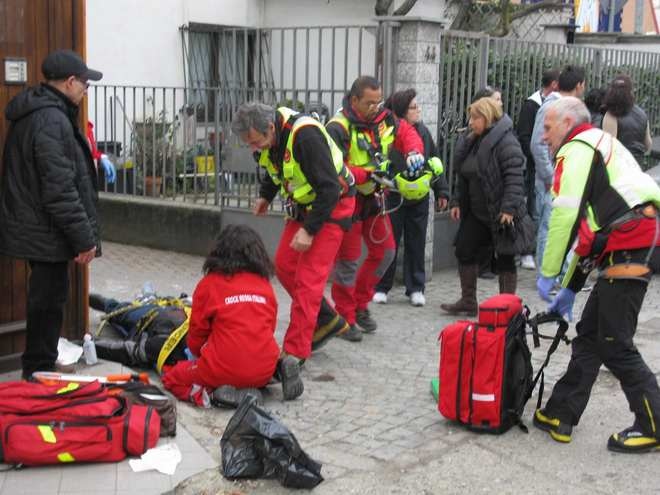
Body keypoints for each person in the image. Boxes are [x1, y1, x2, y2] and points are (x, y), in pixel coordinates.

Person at [535, 97, 660, 453]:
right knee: (590, 335)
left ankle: (654, 424)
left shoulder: (576, 148)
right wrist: (571, 288)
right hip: (632, 238)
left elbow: (566, 215)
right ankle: (561, 412)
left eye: (548, 128)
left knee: (615, 344)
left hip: (631, 242)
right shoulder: (603, 145)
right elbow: (591, 233)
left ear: (568, 123)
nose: (544, 137)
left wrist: (548, 272)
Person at [0, 50, 103, 380]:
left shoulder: (42, 112)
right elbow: (59, 189)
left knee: (46, 300)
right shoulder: (51, 119)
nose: (86, 89)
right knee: (47, 303)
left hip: (38, 226)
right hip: (45, 229)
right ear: (70, 82)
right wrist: (84, 239)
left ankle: (39, 366)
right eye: (85, 83)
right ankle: (38, 372)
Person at [231, 102, 356, 368]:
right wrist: (266, 196)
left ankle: (295, 352)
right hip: (305, 206)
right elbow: (276, 169)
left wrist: (310, 230)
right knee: (286, 266)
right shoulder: (272, 138)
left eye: (256, 141)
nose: (255, 148)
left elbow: (330, 189)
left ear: (271, 127)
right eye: (249, 144)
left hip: (333, 204)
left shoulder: (305, 136)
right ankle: (326, 319)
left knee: (309, 280)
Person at [327, 76, 424, 340]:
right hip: (347, 201)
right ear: (354, 100)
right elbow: (336, 169)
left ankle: (360, 305)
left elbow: (407, 133)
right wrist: (368, 175)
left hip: (373, 199)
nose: (376, 107)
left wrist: (414, 152)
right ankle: (345, 318)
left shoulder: (385, 119)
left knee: (386, 253)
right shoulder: (338, 127)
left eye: (378, 101)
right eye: (369, 102)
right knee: (347, 263)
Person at [161, 225, 299, 408]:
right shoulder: (265, 285)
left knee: (172, 376)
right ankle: (277, 370)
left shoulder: (209, 284)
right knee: (254, 362)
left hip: (222, 368)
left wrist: (199, 357)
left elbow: (196, 333)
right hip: (263, 368)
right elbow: (269, 327)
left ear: (219, 252)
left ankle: (212, 394)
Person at [440, 97, 533, 316]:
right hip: (477, 210)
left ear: (488, 117)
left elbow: (514, 178)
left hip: (501, 211)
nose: (471, 122)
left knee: (506, 257)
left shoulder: (506, 142)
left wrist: (509, 209)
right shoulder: (472, 140)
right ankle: (468, 300)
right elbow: (462, 175)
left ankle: (506, 307)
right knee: (464, 248)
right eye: (471, 117)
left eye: (475, 118)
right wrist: (456, 201)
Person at [372, 88, 449, 307]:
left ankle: (415, 287)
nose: (418, 110)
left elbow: (433, 161)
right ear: (402, 112)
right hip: (394, 195)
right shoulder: (388, 132)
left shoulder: (423, 132)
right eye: (413, 107)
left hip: (419, 197)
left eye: (417, 106)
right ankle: (381, 287)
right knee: (390, 244)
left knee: (416, 242)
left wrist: (441, 190)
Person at [530, 65, 586, 271]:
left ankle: (560, 272)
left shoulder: (567, 108)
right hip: (551, 180)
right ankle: (547, 273)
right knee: (548, 227)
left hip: (563, 179)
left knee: (560, 227)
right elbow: (537, 144)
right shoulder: (551, 108)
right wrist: (550, 176)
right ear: (579, 85)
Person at [516, 68, 560, 270]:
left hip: (542, 165)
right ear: (554, 85)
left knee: (541, 213)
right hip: (533, 166)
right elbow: (525, 136)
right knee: (533, 211)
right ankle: (527, 251)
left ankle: (533, 251)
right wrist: (535, 158)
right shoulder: (532, 105)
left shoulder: (549, 104)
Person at [88, 290, 191, 371]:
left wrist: (86, 346)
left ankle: (91, 299)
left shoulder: (164, 347)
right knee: (119, 313)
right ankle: (87, 297)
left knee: (119, 316)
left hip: (158, 325)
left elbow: (127, 351)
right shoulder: (163, 344)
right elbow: (126, 351)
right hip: (155, 317)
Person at [601, 74, 653, 165]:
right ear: (631, 91)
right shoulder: (642, 114)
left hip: (619, 167)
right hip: (637, 166)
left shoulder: (611, 115)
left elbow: (609, 149)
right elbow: (648, 144)